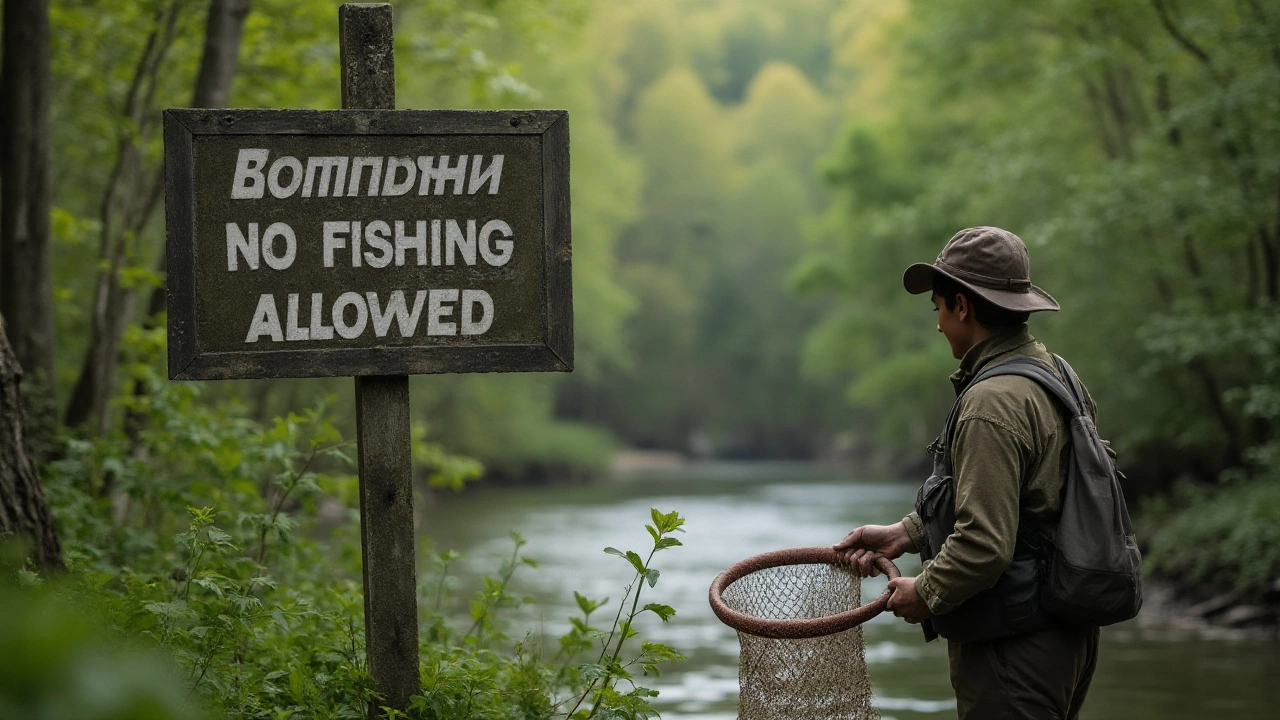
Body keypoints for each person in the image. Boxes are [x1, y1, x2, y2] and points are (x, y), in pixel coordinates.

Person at [834, 226, 1099, 719]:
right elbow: (1027, 499)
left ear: (962, 306)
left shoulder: (989, 404)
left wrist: (926, 593)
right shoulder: (1056, 373)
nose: (936, 324)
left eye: (936, 307)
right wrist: (905, 533)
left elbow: (985, 543)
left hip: (1014, 647)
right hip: (1067, 635)